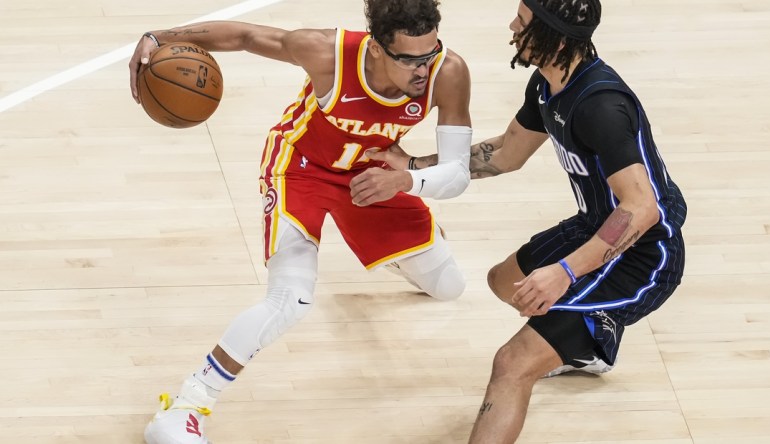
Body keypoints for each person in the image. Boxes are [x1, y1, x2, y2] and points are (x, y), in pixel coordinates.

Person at [128, 0, 472, 442]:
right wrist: (162, 36)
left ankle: (392, 252)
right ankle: (188, 404)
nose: (422, 70)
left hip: (372, 177)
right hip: (300, 169)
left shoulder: (448, 72)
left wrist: (407, 180)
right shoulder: (326, 52)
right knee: (291, 297)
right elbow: (247, 37)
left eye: (429, 54)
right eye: (409, 60)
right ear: (377, 49)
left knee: (450, 288)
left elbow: (458, 173)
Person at [398, 0, 686, 442]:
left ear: (555, 36)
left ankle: (589, 332)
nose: (512, 26)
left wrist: (565, 271)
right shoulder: (547, 84)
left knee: (511, 365)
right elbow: (509, 152)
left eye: (524, 21)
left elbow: (641, 209)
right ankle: (587, 347)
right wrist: (414, 167)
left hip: (644, 252)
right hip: (594, 224)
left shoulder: (601, 106)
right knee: (504, 281)